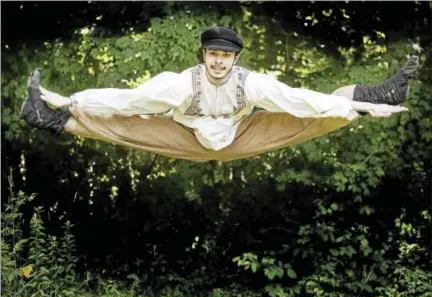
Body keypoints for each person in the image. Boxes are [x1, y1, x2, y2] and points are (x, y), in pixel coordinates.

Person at [21, 27, 418, 162]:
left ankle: (377, 93)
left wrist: (358, 106)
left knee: (314, 115)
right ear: (204, 55)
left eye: (225, 56)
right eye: (213, 54)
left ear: (236, 58)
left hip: (241, 133)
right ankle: (50, 118)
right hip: (186, 134)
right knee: (129, 126)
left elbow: (299, 98)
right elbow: (128, 99)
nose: (218, 62)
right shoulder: (180, 84)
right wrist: (68, 100)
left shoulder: (251, 83)